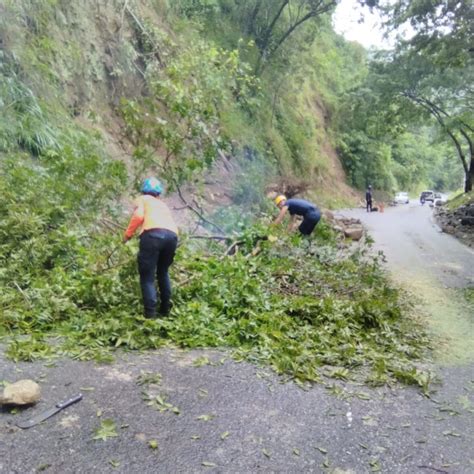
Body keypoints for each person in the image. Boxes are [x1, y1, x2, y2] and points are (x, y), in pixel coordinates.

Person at [123, 177, 178, 318]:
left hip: (153, 235)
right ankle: (165, 309)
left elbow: (138, 216)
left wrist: (127, 235)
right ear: (158, 193)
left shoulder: (143, 199)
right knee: (163, 271)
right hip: (172, 237)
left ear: (144, 190)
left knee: (147, 276)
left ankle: (150, 315)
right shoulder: (162, 204)